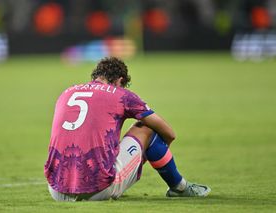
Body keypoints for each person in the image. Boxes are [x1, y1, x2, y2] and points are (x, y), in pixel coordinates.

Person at [44, 57, 211, 201]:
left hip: (56, 189)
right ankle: (180, 187)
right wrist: (152, 151)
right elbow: (169, 133)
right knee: (147, 128)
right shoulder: (121, 95)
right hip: (99, 190)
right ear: (119, 81)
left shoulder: (66, 93)